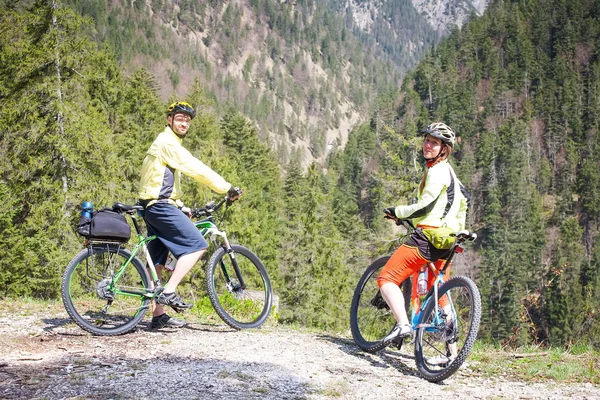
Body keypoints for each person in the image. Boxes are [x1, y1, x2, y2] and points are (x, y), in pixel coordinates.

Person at [138, 101, 242, 329]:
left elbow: (159, 180)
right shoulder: (168, 142)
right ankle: (169, 291)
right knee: (197, 245)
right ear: (170, 120)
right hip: (159, 206)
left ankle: (157, 315)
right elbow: (194, 167)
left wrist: (179, 205)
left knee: (157, 258)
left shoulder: (165, 142)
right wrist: (226, 188)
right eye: (180, 118)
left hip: (153, 204)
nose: (184, 122)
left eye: (187, 120)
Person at [377, 122, 469, 362]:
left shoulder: (437, 172)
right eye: (427, 140)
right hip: (446, 239)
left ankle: (403, 325)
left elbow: (424, 206)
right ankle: (452, 355)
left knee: (386, 278)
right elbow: (463, 200)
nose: (428, 145)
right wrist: (458, 229)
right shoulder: (451, 174)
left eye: (435, 142)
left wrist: (398, 211)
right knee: (439, 293)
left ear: (444, 149)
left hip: (427, 237)